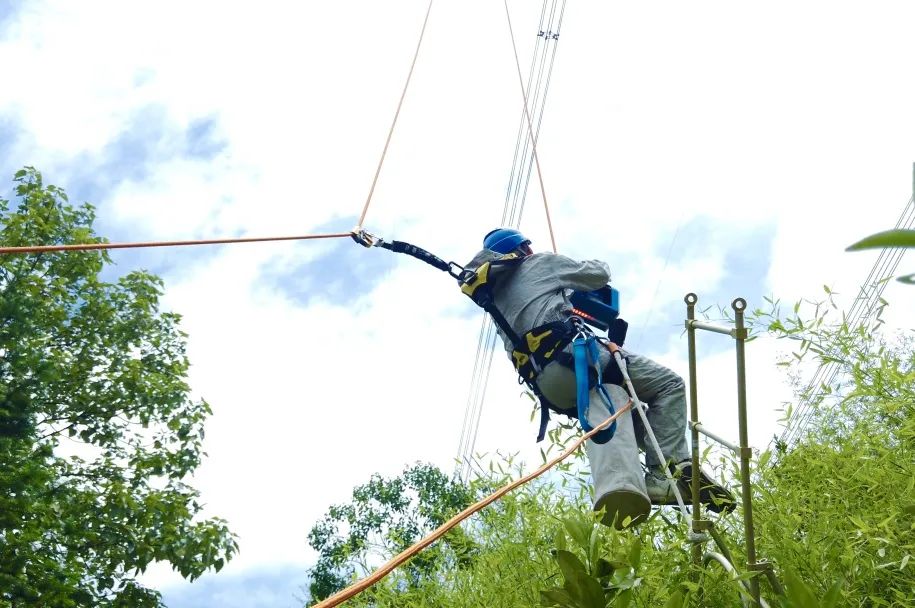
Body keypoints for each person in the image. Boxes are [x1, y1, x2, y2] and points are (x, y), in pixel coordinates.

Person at [464, 228, 735, 528]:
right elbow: (598, 275)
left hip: (550, 387)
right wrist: (570, 273)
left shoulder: (496, 302)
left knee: (634, 416)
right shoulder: (538, 263)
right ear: (523, 249)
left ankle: (660, 471)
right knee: (669, 385)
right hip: (578, 359)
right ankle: (663, 473)